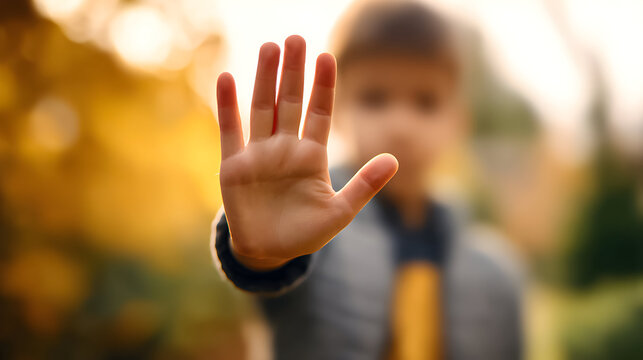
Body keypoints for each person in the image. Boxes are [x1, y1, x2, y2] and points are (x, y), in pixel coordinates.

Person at [211, 1, 523, 359]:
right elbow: (272, 273)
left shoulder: (497, 279)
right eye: (374, 99)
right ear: (338, 109)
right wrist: (265, 255)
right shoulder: (316, 243)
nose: (401, 125)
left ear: (459, 120)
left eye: (426, 101)